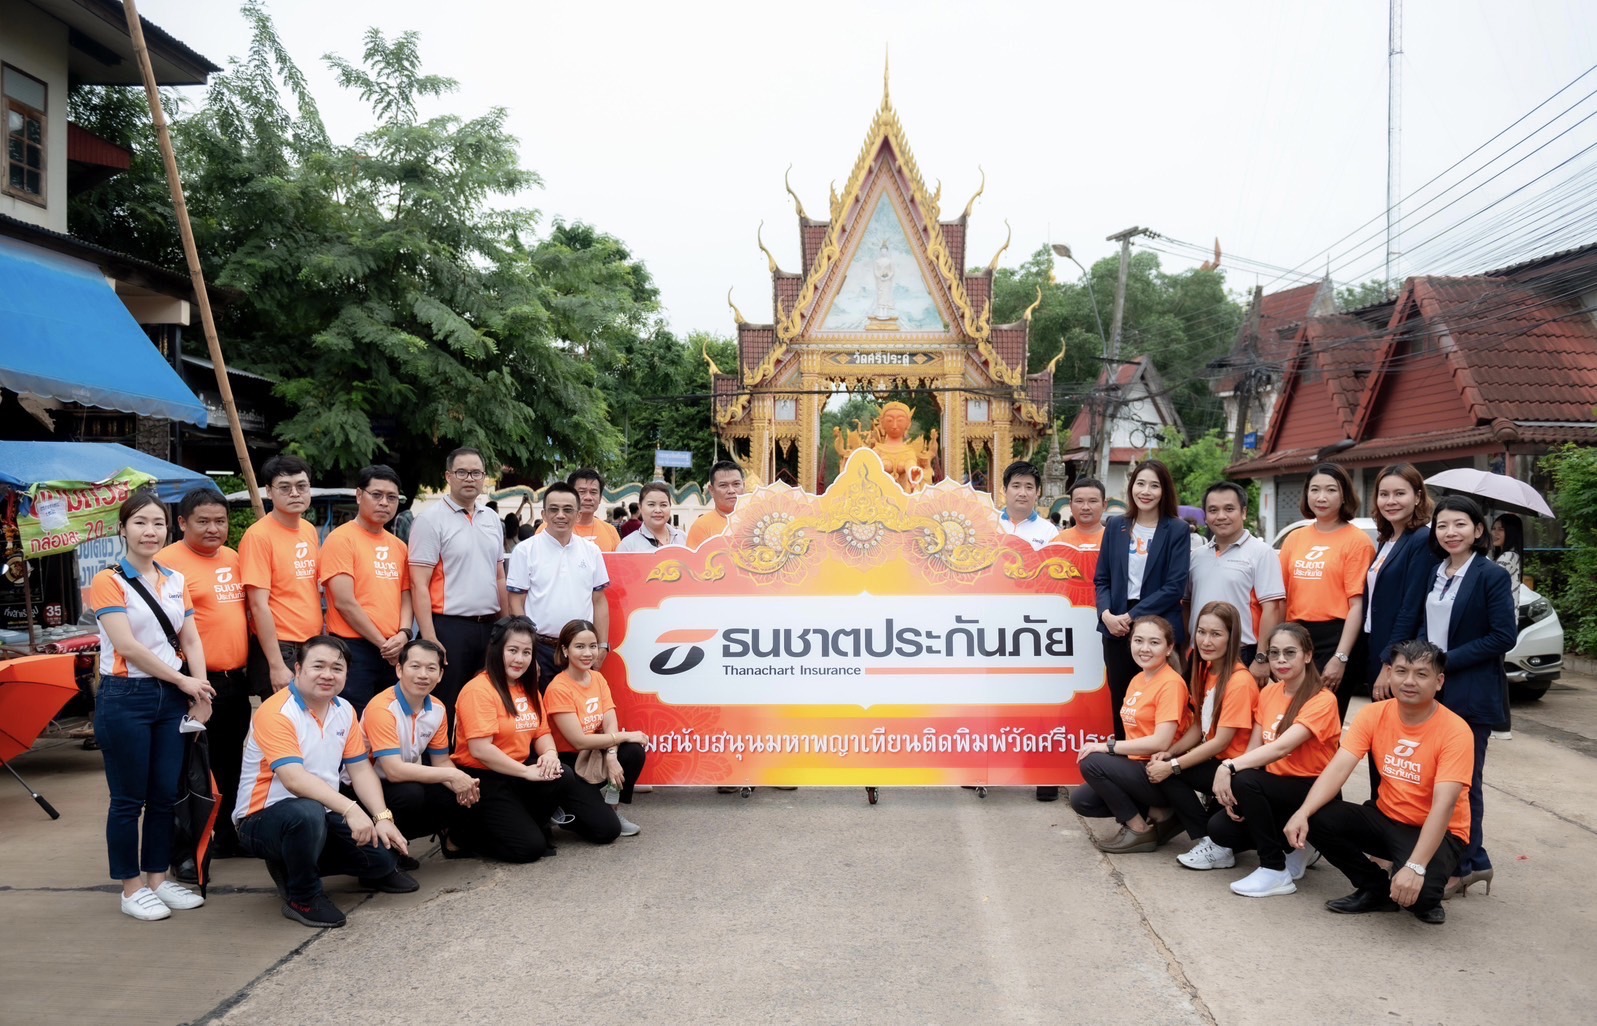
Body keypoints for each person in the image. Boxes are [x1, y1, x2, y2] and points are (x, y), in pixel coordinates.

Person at [1285, 640, 1473, 925]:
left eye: (1421, 674)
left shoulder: (1456, 731)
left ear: (1439, 681)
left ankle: (1420, 883)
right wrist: (1303, 812)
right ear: (1388, 673)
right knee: (1316, 816)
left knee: (1420, 899)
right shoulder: (1374, 714)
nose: (1409, 681)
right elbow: (1338, 768)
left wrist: (1415, 866)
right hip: (1386, 817)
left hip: (1439, 830)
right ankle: (1374, 888)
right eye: (1401, 671)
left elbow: (1444, 805)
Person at [233, 636, 416, 929]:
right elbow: (294, 780)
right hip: (262, 819)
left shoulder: (344, 710)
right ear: (298, 669)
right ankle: (303, 896)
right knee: (306, 812)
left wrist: (382, 817)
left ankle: (292, 863)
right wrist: (351, 809)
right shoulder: (277, 711)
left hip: (322, 814)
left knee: (381, 861)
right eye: (318, 666)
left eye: (337, 668)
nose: (328, 675)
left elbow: (360, 770)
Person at [91, 491, 214, 921]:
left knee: (165, 795)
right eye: (140, 522)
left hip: (172, 697)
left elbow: (191, 639)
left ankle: (158, 880)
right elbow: (126, 645)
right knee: (128, 799)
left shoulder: (175, 579)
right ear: (123, 529)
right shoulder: (108, 580)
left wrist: (200, 691)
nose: (150, 531)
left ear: (168, 529)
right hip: (126, 696)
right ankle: (131, 888)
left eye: (158, 523)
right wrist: (183, 680)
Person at [1408, 496, 1515, 899]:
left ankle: (1466, 865)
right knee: (1434, 779)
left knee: (1464, 783)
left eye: (1459, 524)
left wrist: (1445, 661)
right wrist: (1420, 661)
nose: (1450, 532)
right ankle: (1475, 857)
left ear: (1478, 530)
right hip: (1433, 689)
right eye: (1442, 525)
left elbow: (1503, 636)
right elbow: (1426, 624)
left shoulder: (1491, 575)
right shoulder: (1436, 572)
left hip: (1471, 691)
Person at [1198, 623, 1343, 896]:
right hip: (1277, 787)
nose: (1280, 660)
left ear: (1308, 655)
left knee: (1247, 779)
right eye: (1274, 653)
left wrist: (1228, 766)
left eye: (1290, 653)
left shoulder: (1323, 700)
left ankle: (1274, 869)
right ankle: (1295, 844)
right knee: (1220, 828)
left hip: (1312, 790)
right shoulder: (1269, 693)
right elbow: (1254, 751)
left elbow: (1281, 747)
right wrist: (1235, 788)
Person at [158, 488, 250, 859]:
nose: (214, 528)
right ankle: (187, 849)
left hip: (234, 681)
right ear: (182, 523)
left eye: (220, 521)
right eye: (204, 521)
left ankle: (227, 837)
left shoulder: (233, 557)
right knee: (192, 767)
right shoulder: (165, 562)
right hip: (191, 682)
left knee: (230, 763)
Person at [450, 617, 573, 862]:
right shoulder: (478, 689)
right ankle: (462, 836)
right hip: (484, 778)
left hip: (515, 771)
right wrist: (526, 772)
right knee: (529, 849)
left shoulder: (527, 688)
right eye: (513, 650)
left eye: (526, 652)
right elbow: (480, 749)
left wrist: (550, 754)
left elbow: (542, 732)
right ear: (497, 650)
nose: (520, 659)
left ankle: (526, 824)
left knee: (561, 773)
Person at [1148, 601, 1260, 870]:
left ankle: (1216, 843)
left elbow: (1221, 741)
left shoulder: (1240, 681)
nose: (1206, 641)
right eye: (1201, 632)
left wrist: (1173, 765)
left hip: (1236, 769)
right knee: (1161, 767)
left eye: (1216, 634)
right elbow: (1200, 725)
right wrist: (1171, 752)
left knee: (1170, 772)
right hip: (1215, 762)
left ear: (1232, 637)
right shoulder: (1205, 668)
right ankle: (1208, 840)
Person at [1068, 616, 1190, 853]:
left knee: (1093, 762)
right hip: (1138, 768)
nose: (1144, 648)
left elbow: (1162, 741)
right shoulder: (1138, 679)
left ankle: (1139, 830)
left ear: (1169, 648)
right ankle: (1161, 814)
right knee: (1082, 801)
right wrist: (1116, 748)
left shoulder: (1171, 684)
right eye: (1138, 640)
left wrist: (1108, 747)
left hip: (1162, 773)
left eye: (1154, 642)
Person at [360, 638, 480, 863]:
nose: (423, 675)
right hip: (365, 788)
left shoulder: (437, 708)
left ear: (440, 675)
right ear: (399, 670)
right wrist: (452, 775)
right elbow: (394, 771)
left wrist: (464, 784)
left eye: (431, 668)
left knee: (462, 791)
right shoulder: (382, 708)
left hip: (402, 779)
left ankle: (449, 838)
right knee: (411, 794)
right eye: (415, 666)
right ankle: (386, 853)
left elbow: (441, 761)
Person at [1095, 460, 1191, 739]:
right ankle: (1121, 757)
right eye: (1140, 484)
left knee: (1158, 700)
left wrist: (1132, 617)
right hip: (1116, 625)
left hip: (1158, 622)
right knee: (1122, 700)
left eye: (1154, 485)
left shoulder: (1177, 529)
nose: (1146, 491)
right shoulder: (1116, 526)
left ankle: (1157, 760)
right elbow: (1102, 579)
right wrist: (1106, 614)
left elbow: (1174, 586)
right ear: (1131, 487)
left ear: (1164, 491)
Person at [408, 447, 508, 714]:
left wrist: (507, 625)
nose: (469, 478)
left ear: (484, 477)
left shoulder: (492, 519)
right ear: (448, 476)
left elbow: (499, 576)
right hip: (449, 628)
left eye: (476, 473)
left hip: (489, 627)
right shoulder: (430, 520)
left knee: (486, 702)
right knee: (447, 702)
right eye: (462, 472)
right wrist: (430, 637)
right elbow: (418, 584)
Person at [1278, 462, 1375, 720]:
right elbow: (1281, 597)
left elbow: (1357, 606)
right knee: (1289, 716)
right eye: (1315, 489)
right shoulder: (1295, 538)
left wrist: (1340, 657)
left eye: (1331, 490)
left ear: (1344, 495)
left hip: (1336, 637)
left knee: (1323, 719)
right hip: (1296, 636)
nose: (1321, 497)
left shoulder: (1358, 541)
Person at [544, 619, 649, 838]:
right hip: (570, 765)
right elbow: (579, 741)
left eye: (592, 646)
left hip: (596, 753)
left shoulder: (598, 678)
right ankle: (565, 808)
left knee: (633, 751)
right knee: (607, 832)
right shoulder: (558, 688)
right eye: (579, 646)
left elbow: (610, 721)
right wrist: (625, 735)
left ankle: (612, 807)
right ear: (565, 650)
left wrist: (611, 755)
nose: (587, 653)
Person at [318, 465, 411, 715]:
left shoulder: (399, 546)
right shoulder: (341, 539)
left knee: (389, 719)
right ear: (359, 495)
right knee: (355, 720)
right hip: (355, 649)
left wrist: (404, 634)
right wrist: (384, 644)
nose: (384, 503)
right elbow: (344, 602)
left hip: (394, 648)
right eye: (376, 495)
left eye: (391, 497)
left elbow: (406, 595)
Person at [507, 482, 612, 687]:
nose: (560, 515)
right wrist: (527, 651)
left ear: (578, 515)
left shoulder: (591, 551)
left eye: (568, 510)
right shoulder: (526, 551)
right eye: (554, 509)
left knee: (580, 704)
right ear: (544, 514)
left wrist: (602, 646)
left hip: (580, 649)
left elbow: (599, 601)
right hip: (541, 648)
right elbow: (515, 604)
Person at [239, 454, 323, 698]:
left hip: (310, 644)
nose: (295, 493)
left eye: (301, 486)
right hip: (281, 649)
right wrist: (275, 664)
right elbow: (258, 605)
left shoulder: (308, 530)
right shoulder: (258, 536)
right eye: (285, 488)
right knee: (282, 720)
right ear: (269, 491)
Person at [1186, 481, 1284, 675]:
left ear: (1244, 512)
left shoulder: (1261, 553)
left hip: (1241, 653)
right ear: (1206, 516)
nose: (1221, 516)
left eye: (1229, 509)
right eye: (1213, 510)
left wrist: (1262, 657)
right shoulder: (1196, 556)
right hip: (1200, 652)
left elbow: (1272, 608)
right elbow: (1187, 605)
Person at [1364, 465, 1435, 705]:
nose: (1390, 501)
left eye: (1400, 493)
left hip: (1399, 655)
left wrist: (1390, 662)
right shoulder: (1387, 539)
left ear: (1417, 497)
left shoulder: (1422, 539)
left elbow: (1411, 608)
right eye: (1384, 494)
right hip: (1375, 642)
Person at [1489, 511, 1524, 740]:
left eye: (1500, 529)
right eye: (1493, 528)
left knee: (1495, 674)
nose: (1495, 533)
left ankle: (1501, 726)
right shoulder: (1506, 556)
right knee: (1496, 672)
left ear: (1511, 532)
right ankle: (1500, 726)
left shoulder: (1508, 557)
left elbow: (1489, 578)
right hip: (1503, 622)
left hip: (1499, 623)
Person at [535, 469, 620, 552]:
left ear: (600, 497)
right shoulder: (546, 529)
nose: (588, 497)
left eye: (593, 492)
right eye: (582, 491)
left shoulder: (610, 531)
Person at [996, 460, 1057, 550]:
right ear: (1004, 490)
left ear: (1038, 492)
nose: (1022, 493)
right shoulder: (990, 524)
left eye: (1029, 487)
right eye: (1016, 486)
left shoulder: (1049, 532)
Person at [687, 460, 746, 548]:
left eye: (736, 484)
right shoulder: (701, 526)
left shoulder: (758, 520)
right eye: (723, 485)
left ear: (744, 486)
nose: (731, 491)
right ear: (711, 490)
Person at [617, 482, 687, 552]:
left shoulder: (683, 539)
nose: (658, 510)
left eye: (663, 505)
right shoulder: (628, 546)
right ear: (640, 507)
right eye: (651, 504)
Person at [1052, 478, 1107, 550]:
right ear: (1071, 505)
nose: (1085, 507)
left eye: (1092, 501)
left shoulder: (1115, 539)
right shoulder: (1059, 541)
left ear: (1104, 505)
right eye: (1079, 501)